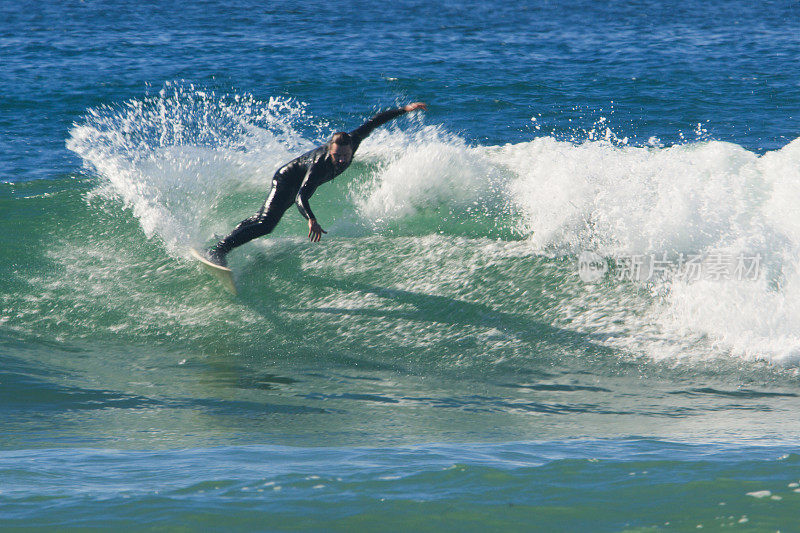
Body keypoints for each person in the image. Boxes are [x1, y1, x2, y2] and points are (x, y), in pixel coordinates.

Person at [206, 102, 427, 266]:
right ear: (330, 150)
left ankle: (227, 239)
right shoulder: (320, 165)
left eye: (345, 155)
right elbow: (302, 195)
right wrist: (311, 219)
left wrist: (405, 110)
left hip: (294, 181)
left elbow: (375, 121)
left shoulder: (354, 139)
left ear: (351, 148)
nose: (341, 160)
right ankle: (219, 250)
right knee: (267, 224)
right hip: (287, 180)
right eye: (337, 155)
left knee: (259, 218)